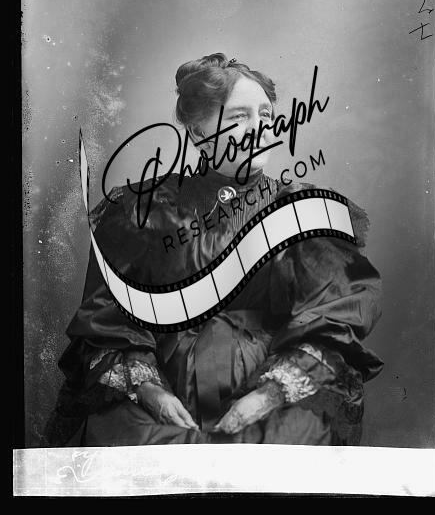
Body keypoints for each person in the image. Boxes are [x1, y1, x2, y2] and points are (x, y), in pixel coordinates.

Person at [45, 53, 383, 447]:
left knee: (279, 449)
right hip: (163, 386)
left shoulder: (301, 210)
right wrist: (151, 392)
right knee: (134, 446)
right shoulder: (143, 209)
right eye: (239, 117)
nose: (260, 129)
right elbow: (109, 317)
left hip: (269, 391)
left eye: (266, 115)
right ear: (196, 130)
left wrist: (268, 395)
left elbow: (336, 314)